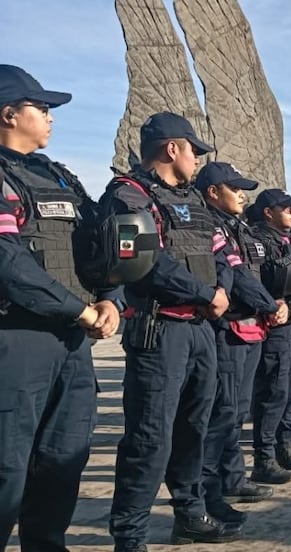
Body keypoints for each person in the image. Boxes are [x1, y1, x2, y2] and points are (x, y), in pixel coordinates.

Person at [0, 65, 122, 551]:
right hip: (17, 339)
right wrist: (80, 309)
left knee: (63, 457)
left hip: (72, 342)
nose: (50, 118)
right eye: (42, 109)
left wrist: (111, 296)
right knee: (7, 466)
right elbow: (8, 263)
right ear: (9, 113)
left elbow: (100, 242)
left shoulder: (60, 176)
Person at [106, 112, 237, 549]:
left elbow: (222, 254)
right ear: (172, 148)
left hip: (200, 329)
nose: (198, 159)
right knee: (150, 436)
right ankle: (130, 535)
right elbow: (143, 260)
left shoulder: (196, 202)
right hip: (160, 329)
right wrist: (205, 292)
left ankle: (190, 511)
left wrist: (219, 290)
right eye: (194, 150)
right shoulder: (129, 196)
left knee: (195, 428)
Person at [193, 162, 285, 514]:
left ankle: (232, 478)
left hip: (251, 324)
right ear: (213, 192)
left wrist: (274, 303)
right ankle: (208, 494)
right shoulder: (210, 225)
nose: (242, 194)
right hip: (228, 330)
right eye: (234, 188)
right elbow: (235, 275)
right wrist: (269, 304)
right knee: (224, 413)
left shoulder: (237, 227)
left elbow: (253, 272)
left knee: (237, 410)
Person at [246, 189, 291, 484]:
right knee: (273, 390)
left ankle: (285, 446)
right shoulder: (258, 240)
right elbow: (256, 279)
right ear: (268, 212)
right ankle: (264, 457)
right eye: (286, 208)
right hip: (276, 324)